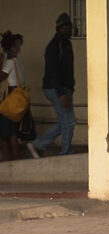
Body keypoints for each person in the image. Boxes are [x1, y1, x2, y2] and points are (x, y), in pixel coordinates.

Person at [33, 13, 76, 155]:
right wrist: (62, 93)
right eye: (65, 27)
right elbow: (53, 72)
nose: (68, 30)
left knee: (66, 122)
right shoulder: (53, 47)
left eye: (69, 27)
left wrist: (69, 89)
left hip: (63, 89)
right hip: (55, 89)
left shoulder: (66, 44)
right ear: (58, 29)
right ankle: (65, 152)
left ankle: (39, 144)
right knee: (68, 122)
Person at [0, 31, 39, 161]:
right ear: (11, 47)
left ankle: (9, 159)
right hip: (20, 97)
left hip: (11, 99)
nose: (19, 47)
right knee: (15, 132)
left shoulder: (9, 63)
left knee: (6, 132)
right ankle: (16, 159)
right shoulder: (19, 62)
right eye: (18, 45)